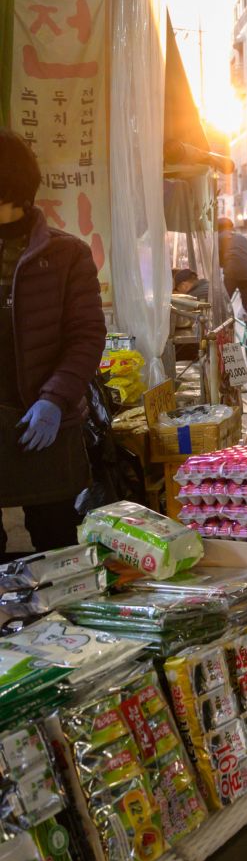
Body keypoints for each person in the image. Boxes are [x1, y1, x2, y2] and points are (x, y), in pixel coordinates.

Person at [0, 130, 106, 553]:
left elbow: (87, 336)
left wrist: (54, 399)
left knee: (56, 545)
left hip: (44, 424)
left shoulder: (67, 255)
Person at [217, 218, 247, 323]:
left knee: (224, 303)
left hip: (232, 273)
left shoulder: (219, 237)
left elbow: (218, 260)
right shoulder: (242, 238)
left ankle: (224, 329)